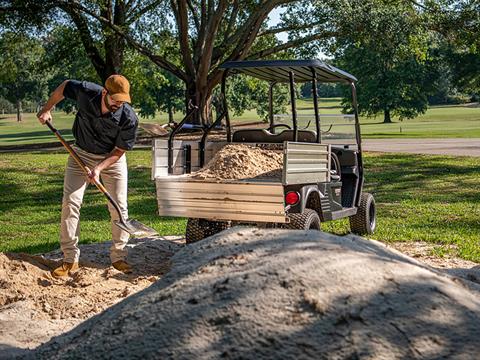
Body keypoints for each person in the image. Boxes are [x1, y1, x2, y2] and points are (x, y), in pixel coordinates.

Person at [37, 75, 138, 277]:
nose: (119, 103)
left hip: (111, 160)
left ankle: (119, 257)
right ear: (104, 93)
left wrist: (99, 168)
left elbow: (119, 151)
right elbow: (64, 87)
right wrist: (47, 108)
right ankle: (69, 259)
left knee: (118, 206)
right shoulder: (86, 92)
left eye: (123, 100)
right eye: (115, 98)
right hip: (80, 153)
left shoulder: (129, 118)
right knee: (71, 203)